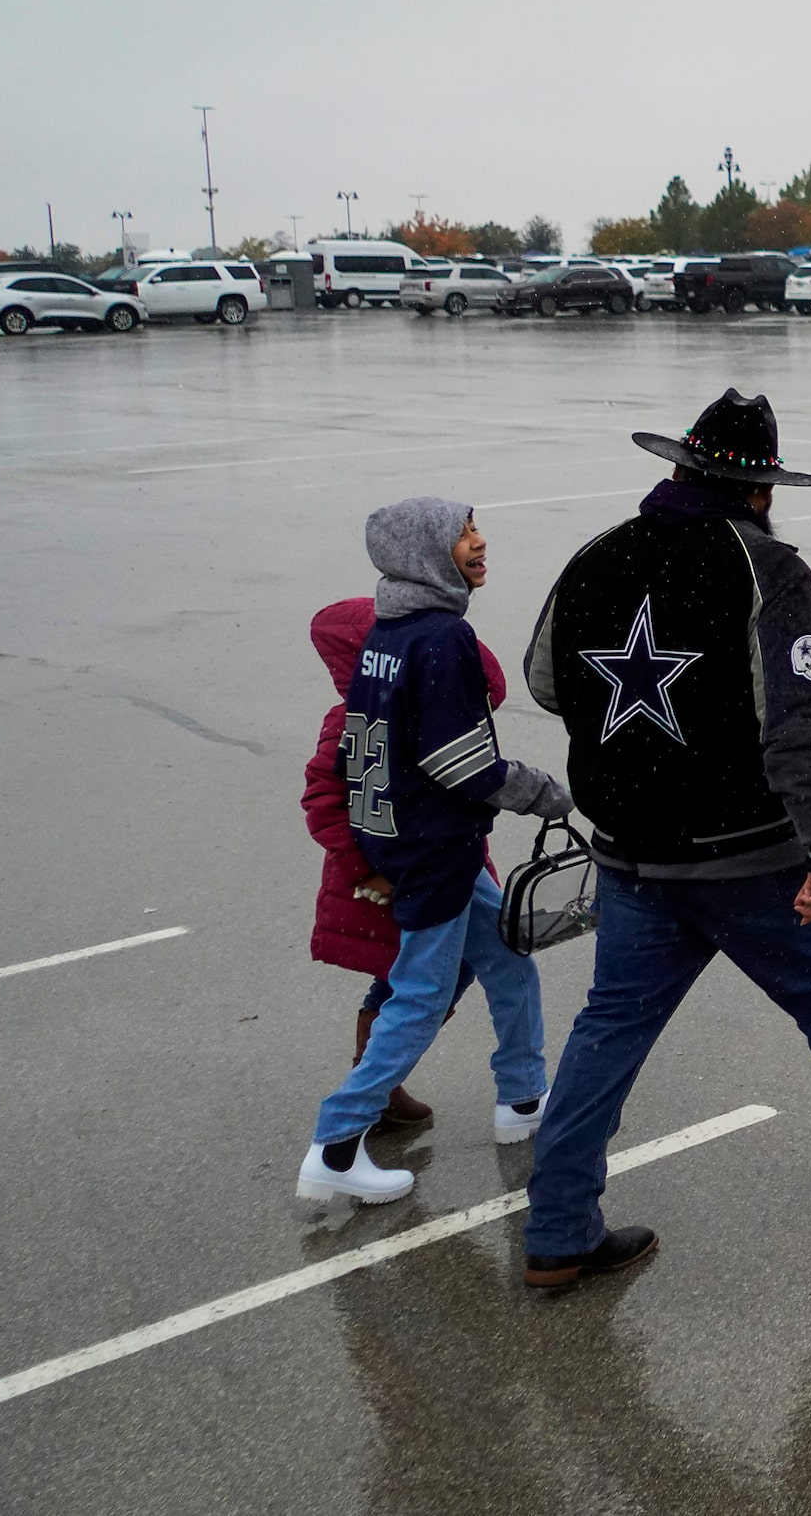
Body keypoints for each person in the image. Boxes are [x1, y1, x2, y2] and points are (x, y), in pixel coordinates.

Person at [519, 389, 811, 1290]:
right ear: (757, 490)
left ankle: (558, 1229)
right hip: (749, 853)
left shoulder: (594, 556)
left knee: (606, 1033)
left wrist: (640, 736)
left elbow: (546, 684)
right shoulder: (771, 569)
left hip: (633, 849)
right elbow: (803, 719)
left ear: (677, 472)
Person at [297, 500, 568, 1207]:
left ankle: (524, 1099)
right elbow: (460, 761)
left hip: (419, 844)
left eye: (474, 528)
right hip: (437, 848)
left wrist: (380, 850)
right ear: (425, 554)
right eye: (461, 534)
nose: (479, 542)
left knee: (508, 960)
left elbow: (369, 749)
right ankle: (336, 1141)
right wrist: (543, 792)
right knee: (418, 997)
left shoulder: (389, 633)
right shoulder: (440, 636)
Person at [302, 595, 509, 1129]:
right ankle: (371, 1084)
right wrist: (363, 871)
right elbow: (324, 800)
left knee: (447, 968)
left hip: (451, 864)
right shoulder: (355, 720)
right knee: (412, 976)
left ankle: (379, 1077)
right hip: (392, 876)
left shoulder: (429, 708)